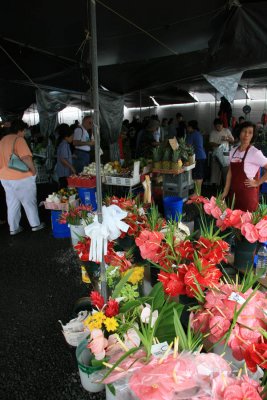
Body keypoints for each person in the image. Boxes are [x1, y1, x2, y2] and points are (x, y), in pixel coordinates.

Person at [0, 119, 45, 235]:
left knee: (12, 203)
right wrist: (33, 171)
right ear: (20, 130)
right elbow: (26, 158)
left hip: (4, 177)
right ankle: (35, 225)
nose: (25, 133)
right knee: (29, 201)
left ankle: (13, 228)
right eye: (25, 130)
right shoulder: (19, 140)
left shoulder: (3, 140)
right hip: (21, 177)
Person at [222, 121, 267, 212]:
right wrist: (225, 191)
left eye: (250, 132)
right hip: (234, 194)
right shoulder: (233, 151)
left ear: (252, 135)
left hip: (248, 196)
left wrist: (258, 182)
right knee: (232, 222)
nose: (246, 135)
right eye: (244, 131)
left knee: (247, 224)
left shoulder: (255, 153)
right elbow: (230, 173)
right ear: (239, 132)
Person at [209, 118, 234, 186]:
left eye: (219, 126)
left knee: (225, 169)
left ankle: (226, 184)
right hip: (216, 153)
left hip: (225, 153)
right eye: (216, 126)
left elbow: (232, 140)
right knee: (215, 169)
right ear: (214, 126)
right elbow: (210, 143)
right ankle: (215, 185)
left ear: (222, 125)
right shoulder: (213, 132)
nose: (218, 128)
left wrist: (227, 139)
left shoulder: (226, 130)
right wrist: (219, 145)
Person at [186, 120, 206, 195]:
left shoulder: (193, 134)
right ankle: (197, 192)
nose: (187, 129)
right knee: (198, 176)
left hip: (198, 157)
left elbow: (188, 146)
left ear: (191, 127)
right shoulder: (198, 133)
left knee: (198, 176)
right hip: (201, 156)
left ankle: (197, 193)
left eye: (188, 127)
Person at [56, 124, 76, 189]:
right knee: (64, 189)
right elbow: (62, 159)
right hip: (64, 173)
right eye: (72, 137)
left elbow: (63, 155)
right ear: (66, 137)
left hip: (63, 172)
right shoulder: (64, 145)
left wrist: (71, 156)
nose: (73, 139)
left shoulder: (64, 144)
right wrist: (71, 167)